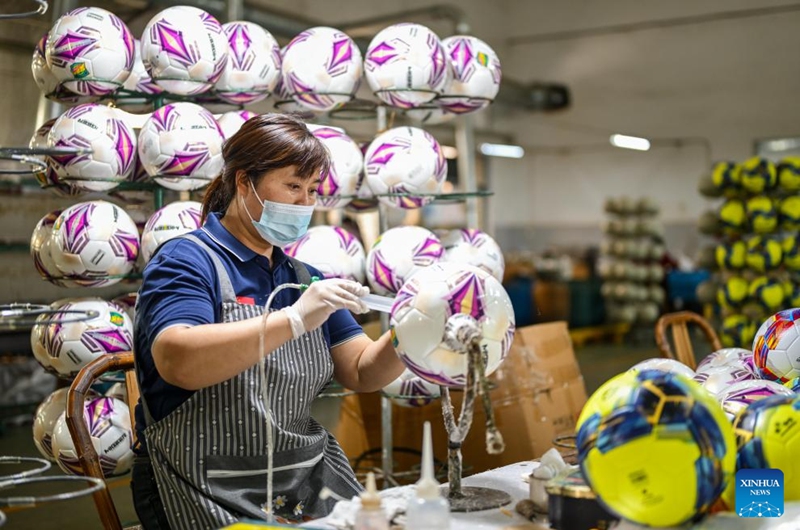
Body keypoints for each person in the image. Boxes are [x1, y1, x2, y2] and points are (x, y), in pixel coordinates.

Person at [130, 113, 405, 529]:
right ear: (244, 182)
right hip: (203, 484)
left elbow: (362, 371)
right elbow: (178, 360)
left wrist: (414, 330)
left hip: (300, 476)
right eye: (293, 186)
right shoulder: (187, 260)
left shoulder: (303, 277)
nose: (304, 203)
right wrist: (292, 318)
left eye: (312, 190)